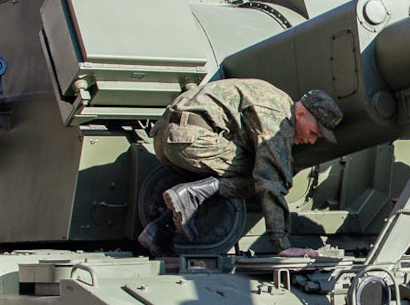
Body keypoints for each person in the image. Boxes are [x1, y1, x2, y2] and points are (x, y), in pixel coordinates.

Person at [139, 80, 342, 257]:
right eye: (314, 132)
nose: (312, 141)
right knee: (262, 173)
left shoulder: (273, 98)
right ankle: (190, 196)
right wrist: (282, 244)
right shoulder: (278, 117)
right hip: (191, 139)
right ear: (300, 113)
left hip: (166, 137)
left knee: (228, 179)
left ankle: (158, 231)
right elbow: (271, 179)